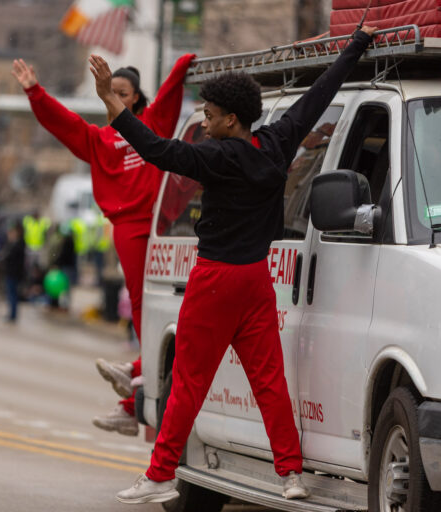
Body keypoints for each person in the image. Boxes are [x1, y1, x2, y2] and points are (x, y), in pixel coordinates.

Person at [89, 25, 378, 503]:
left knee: (187, 382)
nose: (203, 121)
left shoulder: (215, 158)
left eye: (209, 114)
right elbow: (321, 91)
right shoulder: (278, 142)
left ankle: (160, 474)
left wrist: (112, 104)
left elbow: (155, 149)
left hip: (216, 280)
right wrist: (357, 46)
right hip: (257, 281)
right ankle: (291, 475)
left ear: (230, 120)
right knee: (269, 382)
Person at [12, 51, 195, 436]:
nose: (115, 96)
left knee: (165, 315)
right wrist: (34, 91)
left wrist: (186, 60)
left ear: (137, 99)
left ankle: (134, 381)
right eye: (110, 91)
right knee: (148, 311)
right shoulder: (98, 140)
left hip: (164, 227)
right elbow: (63, 123)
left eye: (123, 92)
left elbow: (172, 91)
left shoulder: (153, 122)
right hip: (129, 228)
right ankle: (135, 393)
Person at [0, 223, 25, 322]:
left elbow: (9, 257)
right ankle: (11, 314)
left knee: (12, 294)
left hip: (13, 273)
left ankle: (12, 315)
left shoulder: (17, 245)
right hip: (11, 272)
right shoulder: (15, 244)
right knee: (10, 294)